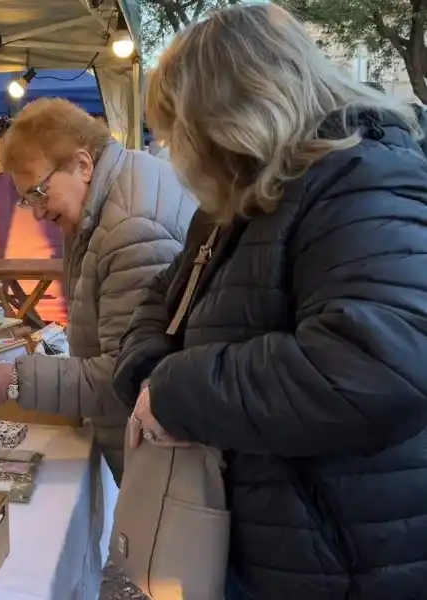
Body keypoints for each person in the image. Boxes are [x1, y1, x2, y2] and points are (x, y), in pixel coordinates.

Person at [114, 4, 427, 599]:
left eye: (177, 128)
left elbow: (376, 366)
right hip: (269, 544)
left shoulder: (362, 178)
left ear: (227, 116)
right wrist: (147, 375)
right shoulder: (239, 195)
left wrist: (177, 392)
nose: (173, 149)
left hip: (348, 565)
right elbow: (165, 296)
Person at [0, 98, 196, 479]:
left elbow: (125, 373)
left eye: (38, 192)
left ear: (83, 165)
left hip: (161, 460)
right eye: (25, 199)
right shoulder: (107, 196)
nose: (36, 212)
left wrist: (16, 379)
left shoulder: (132, 228)